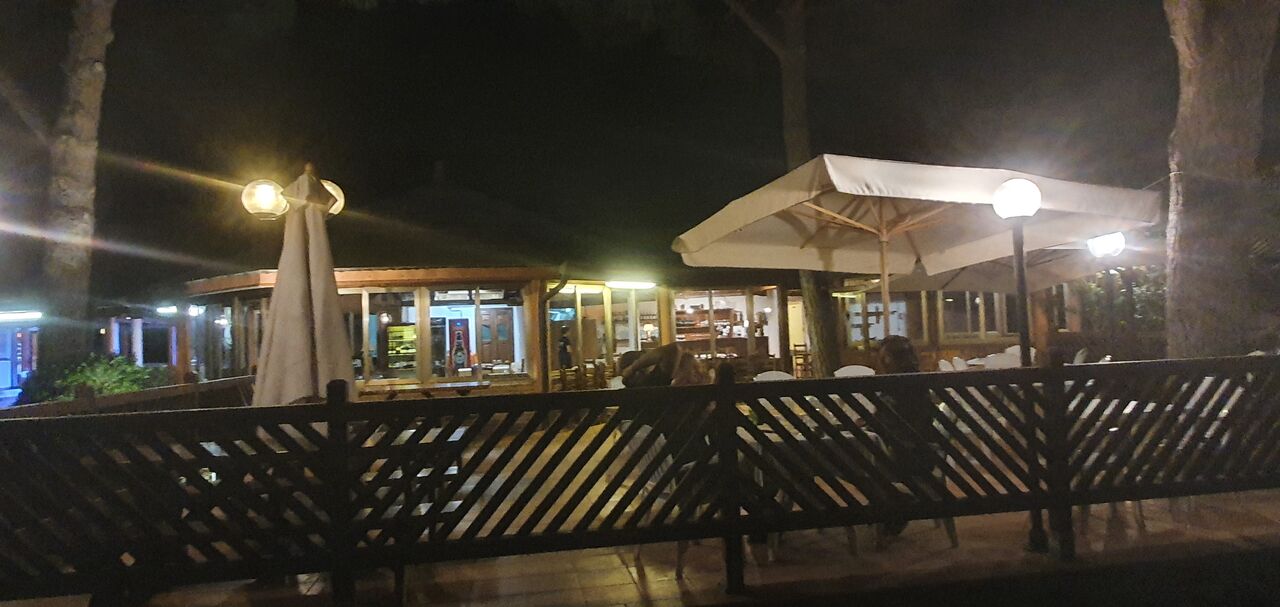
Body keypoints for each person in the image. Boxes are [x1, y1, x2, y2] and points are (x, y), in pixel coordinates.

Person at [877, 335, 943, 536]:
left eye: (884, 358)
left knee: (861, 461)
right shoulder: (912, 382)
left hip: (913, 453)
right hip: (915, 448)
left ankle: (898, 503)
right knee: (860, 458)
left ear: (890, 359)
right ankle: (895, 501)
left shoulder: (905, 385)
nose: (882, 363)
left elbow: (903, 424)